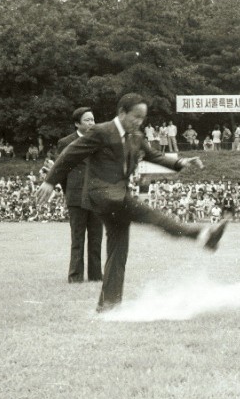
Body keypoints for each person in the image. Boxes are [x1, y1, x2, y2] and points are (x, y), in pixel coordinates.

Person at [36, 93, 228, 312]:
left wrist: (180, 161)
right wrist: (50, 182)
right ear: (122, 112)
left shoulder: (135, 137)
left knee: (119, 250)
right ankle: (202, 235)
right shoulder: (101, 131)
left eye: (142, 118)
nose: (139, 122)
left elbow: (154, 155)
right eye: (135, 116)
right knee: (153, 216)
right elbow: (69, 154)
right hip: (102, 195)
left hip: (118, 197)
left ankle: (108, 306)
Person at [56, 107, 103, 283]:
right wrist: (70, 191)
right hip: (76, 196)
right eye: (87, 120)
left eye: (93, 119)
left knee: (96, 238)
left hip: (97, 197)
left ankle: (96, 276)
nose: (92, 123)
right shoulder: (65, 142)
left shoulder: (99, 141)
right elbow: (60, 171)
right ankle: (75, 276)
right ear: (77, 123)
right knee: (78, 238)